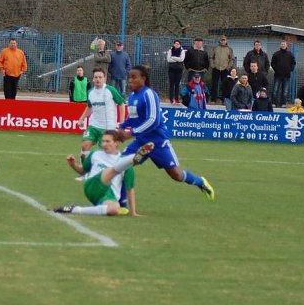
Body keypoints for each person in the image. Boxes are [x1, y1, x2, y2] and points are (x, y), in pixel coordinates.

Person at [115, 65, 215, 200]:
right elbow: (133, 118)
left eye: (134, 77)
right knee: (121, 165)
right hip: (141, 141)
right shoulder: (132, 97)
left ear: (143, 78)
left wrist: (130, 133)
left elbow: (153, 120)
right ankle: (122, 204)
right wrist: (121, 127)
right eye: (129, 78)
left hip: (158, 142)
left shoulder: (149, 94)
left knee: (177, 175)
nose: (130, 80)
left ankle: (200, 182)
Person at [55, 130, 146, 217]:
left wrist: (133, 212)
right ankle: (133, 157)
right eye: (103, 141)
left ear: (116, 143)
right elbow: (83, 171)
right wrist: (73, 165)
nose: (104, 144)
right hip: (92, 186)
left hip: (108, 196)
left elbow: (130, 189)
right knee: (111, 171)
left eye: (107, 141)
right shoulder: (95, 154)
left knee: (114, 209)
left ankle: (75, 209)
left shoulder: (126, 166)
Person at [76, 68, 127, 177]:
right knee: (85, 145)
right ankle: (84, 173)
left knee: (104, 153)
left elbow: (122, 104)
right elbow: (89, 107)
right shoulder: (90, 92)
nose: (98, 79)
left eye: (100, 77)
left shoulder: (111, 90)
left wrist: (122, 122)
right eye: (96, 77)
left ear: (105, 79)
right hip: (93, 125)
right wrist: (82, 118)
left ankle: (106, 174)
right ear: (93, 79)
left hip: (108, 128)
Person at [270, 40, 295, 107]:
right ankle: (273, 103)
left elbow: (293, 63)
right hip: (277, 75)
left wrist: (290, 70)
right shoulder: (276, 54)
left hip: (286, 76)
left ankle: (283, 103)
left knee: (285, 91)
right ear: (280, 45)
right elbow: (272, 63)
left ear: (286, 45)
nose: (283, 45)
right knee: (275, 90)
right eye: (282, 44)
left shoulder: (290, 54)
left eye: (284, 44)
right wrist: (276, 70)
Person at [210, 35, 235, 104]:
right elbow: (211, 57)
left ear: (226, 41)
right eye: (222, 40)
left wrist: (228, 67)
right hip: (216, 69)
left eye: (224, 40)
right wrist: (213, 65)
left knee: (224, 85)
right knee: (214, 84)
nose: (223, 41)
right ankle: (213, 99)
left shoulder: (229, 49)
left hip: (225, 69)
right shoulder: (215, 48)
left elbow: (232, 59)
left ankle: (224, 100)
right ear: (219, 41)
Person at [166, 40, 186, 104]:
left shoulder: (182, 51)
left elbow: (181, 59)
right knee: (171, 84)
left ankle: (177, 98)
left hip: (179, 70)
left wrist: (173, 57)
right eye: (175, 43)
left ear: (180, 45)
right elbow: (168, 59)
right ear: (174, 44)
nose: (176, 45)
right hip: (171, 69)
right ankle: (171, 98)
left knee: (177, 84)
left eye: (178, 44)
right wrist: (177, 59)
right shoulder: (170, 50)